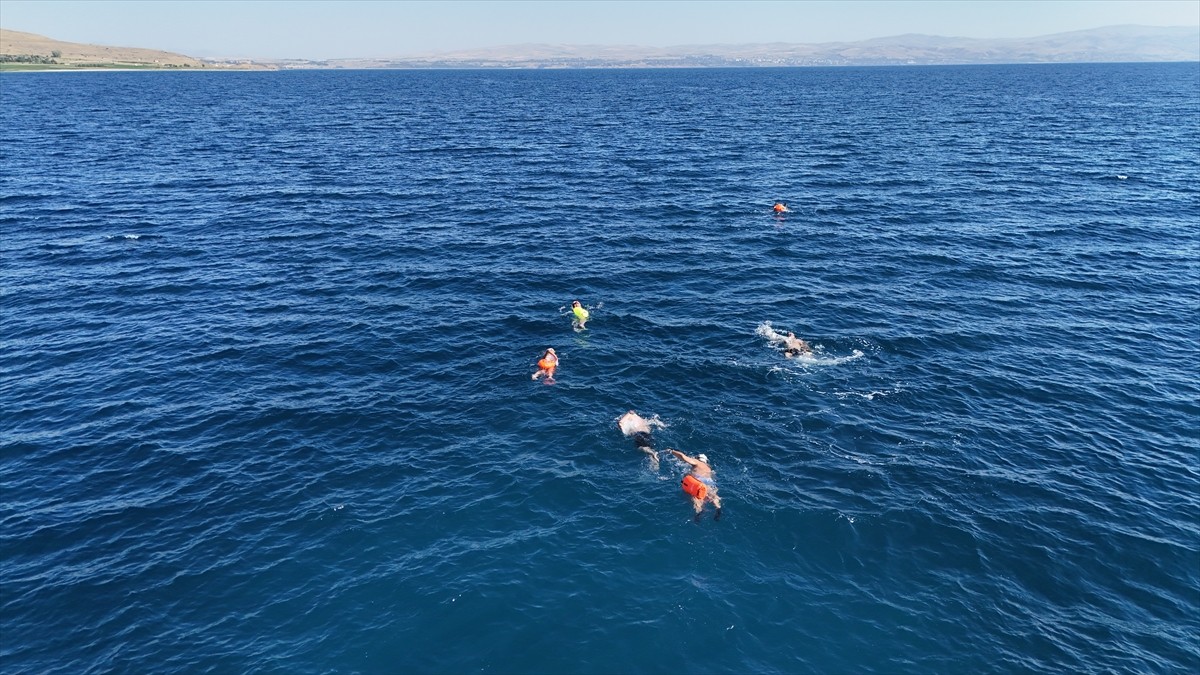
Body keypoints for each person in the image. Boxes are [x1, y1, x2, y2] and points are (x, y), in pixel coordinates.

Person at [670, 449, 722, 520]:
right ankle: (718, 507)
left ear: (698, 458)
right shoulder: (708, 468)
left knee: (696, 497)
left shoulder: (697, 462)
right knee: (713, 495)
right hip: (709, 481)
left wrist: (672, 451)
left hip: (700, 480)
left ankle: (699, 510)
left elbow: (682, 456)